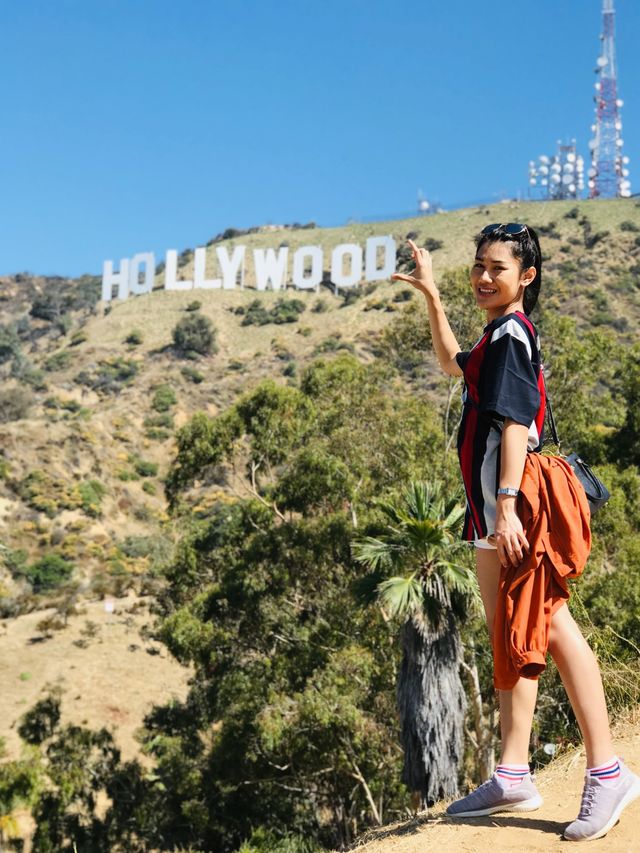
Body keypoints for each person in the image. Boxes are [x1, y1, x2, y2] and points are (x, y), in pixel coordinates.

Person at [391, 224, 640, 842]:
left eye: (496, 268)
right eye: (477, 265)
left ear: (526, 276)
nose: (482, 277)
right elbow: (454, 366)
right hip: (487, 512)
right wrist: (431, 296)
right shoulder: (495, 335)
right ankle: (512, 773)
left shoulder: (512, 335)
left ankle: (608, 771)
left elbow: (512, 427)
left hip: (511, 507)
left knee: (550, 622)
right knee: (510, 630)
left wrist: (505, 507)